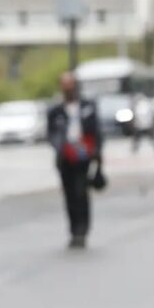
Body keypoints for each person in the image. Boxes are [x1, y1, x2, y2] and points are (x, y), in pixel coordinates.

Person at [47, 72, 104, 249]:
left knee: (81, 192)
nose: (68, 88)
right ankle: (73, 230)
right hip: (65, 157)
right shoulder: (56, 111)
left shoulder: (88, 107)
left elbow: (97, 131)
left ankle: (82, 230)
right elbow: (51, 134)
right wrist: (60, 147)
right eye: (65, 85)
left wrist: (96, 152)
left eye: (71, 84)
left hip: (84, 156)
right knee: (70, 194)